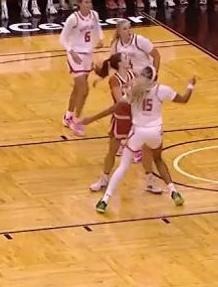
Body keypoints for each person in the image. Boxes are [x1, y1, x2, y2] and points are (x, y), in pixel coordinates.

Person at [81, 65, 193, 213]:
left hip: (138, 132)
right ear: (155, 77)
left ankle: (104, 200)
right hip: (156, 132)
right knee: (158, 160)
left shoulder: (134, 92)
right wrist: (191, 85)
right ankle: (174, 191)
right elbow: (184, 99)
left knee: (123, 166)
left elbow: (114, 108)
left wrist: (91, 119)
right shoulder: (162, 90)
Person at [87, 53, 165, 195]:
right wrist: (132, 89)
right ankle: (104, 179)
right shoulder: (114, 80)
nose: (129, 59)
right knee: (112, 151)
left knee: (147, 151)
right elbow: (119, 100)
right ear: (120, 64)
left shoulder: (133, 73)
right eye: (125, 58)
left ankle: (150, 181)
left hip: (137, 118)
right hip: (121, 118)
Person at [60, 0, 104, 135]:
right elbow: (62, 38)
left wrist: (101, 39)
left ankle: (68, 116)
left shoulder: (94, 15)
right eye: (85, 2)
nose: (88, 4)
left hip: (88, 55)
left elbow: (98, 28)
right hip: (76, 55)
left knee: (78, 90)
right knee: (84, 90)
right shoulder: (73, 18)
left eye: (90, 2)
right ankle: (76, 119)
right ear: (79, 4)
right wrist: (70, 51)